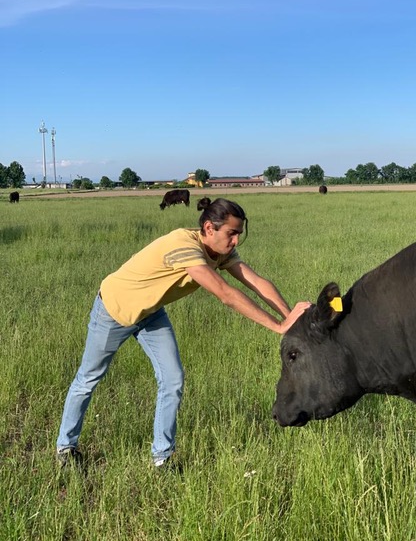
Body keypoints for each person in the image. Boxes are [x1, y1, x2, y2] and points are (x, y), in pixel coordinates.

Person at [56, 197, 310, 468]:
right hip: (114, 310)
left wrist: (290, 318)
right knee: (88, 379)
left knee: (173, 379)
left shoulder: (220, 251)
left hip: (150, 312)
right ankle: (65, 448)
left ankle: (162, 458)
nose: (235, 241)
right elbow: (225, 294)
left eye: (239, 234)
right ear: (210, 228)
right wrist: (278, 326)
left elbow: (255, 281)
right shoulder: (183, 245)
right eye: (231, 234)